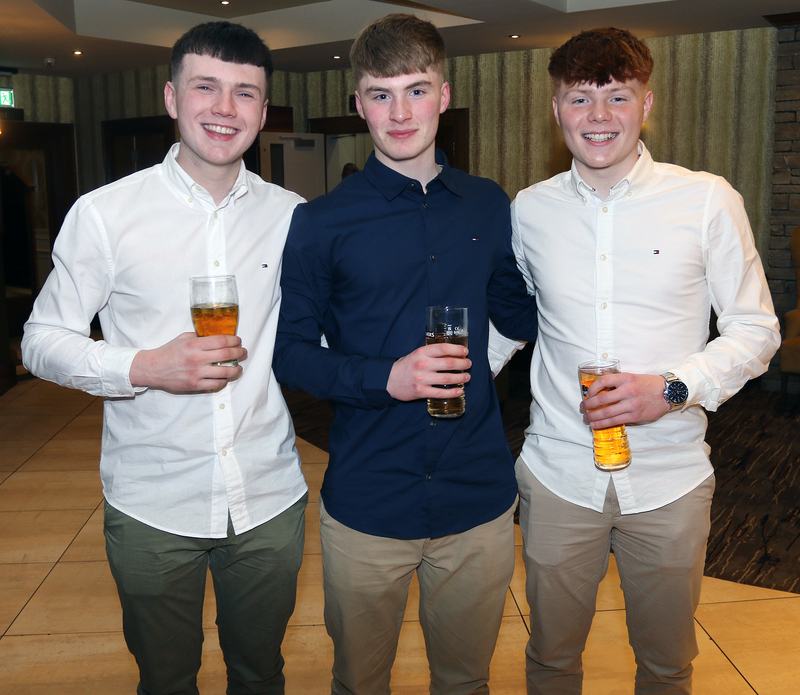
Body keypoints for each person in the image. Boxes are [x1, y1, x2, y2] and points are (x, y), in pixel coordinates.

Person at [22, 21, 307, 695]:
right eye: (205, 87)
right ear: (172, 97)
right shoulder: (105, 214)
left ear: (264, 110)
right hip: (154, 501)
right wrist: (146, 367)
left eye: (245, 93)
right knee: (166, 678)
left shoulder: (293, 216)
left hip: (267, 496)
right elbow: (40, 339)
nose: (225, 108)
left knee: (261, 673)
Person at [508, 27, 780, 694]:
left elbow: (756, 329)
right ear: (556, 109)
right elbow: (511, 321)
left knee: (666, 664)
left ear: (647, 104)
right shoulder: (530, 210)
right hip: (559, 473)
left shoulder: (707, 200)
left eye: (617, 97)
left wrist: (673, 387)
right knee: (551, 658)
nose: (598, 116)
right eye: (580, 98)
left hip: (669, 478)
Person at [273, 13, 538, 695]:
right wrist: (384, 378)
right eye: (380, 94)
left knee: (466, 682)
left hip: (476, 496)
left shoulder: (487, 205)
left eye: (416, 91)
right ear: (358, 104)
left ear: (443, 96)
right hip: (369, 498)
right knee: (359, 682)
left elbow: (521, 313)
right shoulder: (319, 221)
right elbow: (290, 353)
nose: (399, 113)